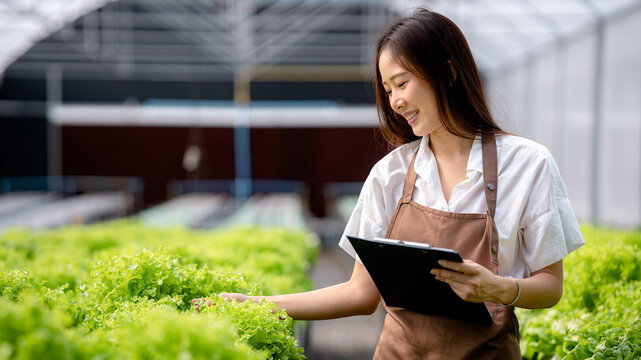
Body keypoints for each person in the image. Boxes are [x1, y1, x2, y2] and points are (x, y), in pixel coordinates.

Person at [195, 8, 585, 359]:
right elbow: (360, 295)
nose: (395, 101)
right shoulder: (390, 174)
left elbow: (549, 286)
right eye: (387, 89)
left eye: (402, 83)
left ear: (448, 72)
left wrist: (499, 288)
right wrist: (254, 303)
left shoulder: (528, 164)